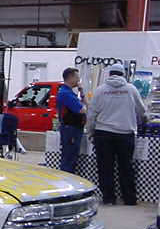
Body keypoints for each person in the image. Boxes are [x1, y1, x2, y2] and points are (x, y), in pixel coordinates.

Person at [86, 63, 147, 205]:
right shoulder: (131, 89)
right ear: (123, 75)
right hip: (125, 134)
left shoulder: (100, 90)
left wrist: (90, 131)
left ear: (109, 74)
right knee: (126, 167)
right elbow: (141, 111)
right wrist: (143, 121)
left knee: (105, 167)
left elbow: (91, 114)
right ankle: (129, 199)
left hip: (103, 134)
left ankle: (109, 198)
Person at [56, 67, 87, 174]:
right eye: (77, 77)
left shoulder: (68, 92)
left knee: (70, 157)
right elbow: (83, 110)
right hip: (71, 130)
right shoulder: (66, 94)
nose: (79, 80)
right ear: (71, 77)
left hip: (71, 129)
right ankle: (67, 179)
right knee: (69, 158)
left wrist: (81, 91)